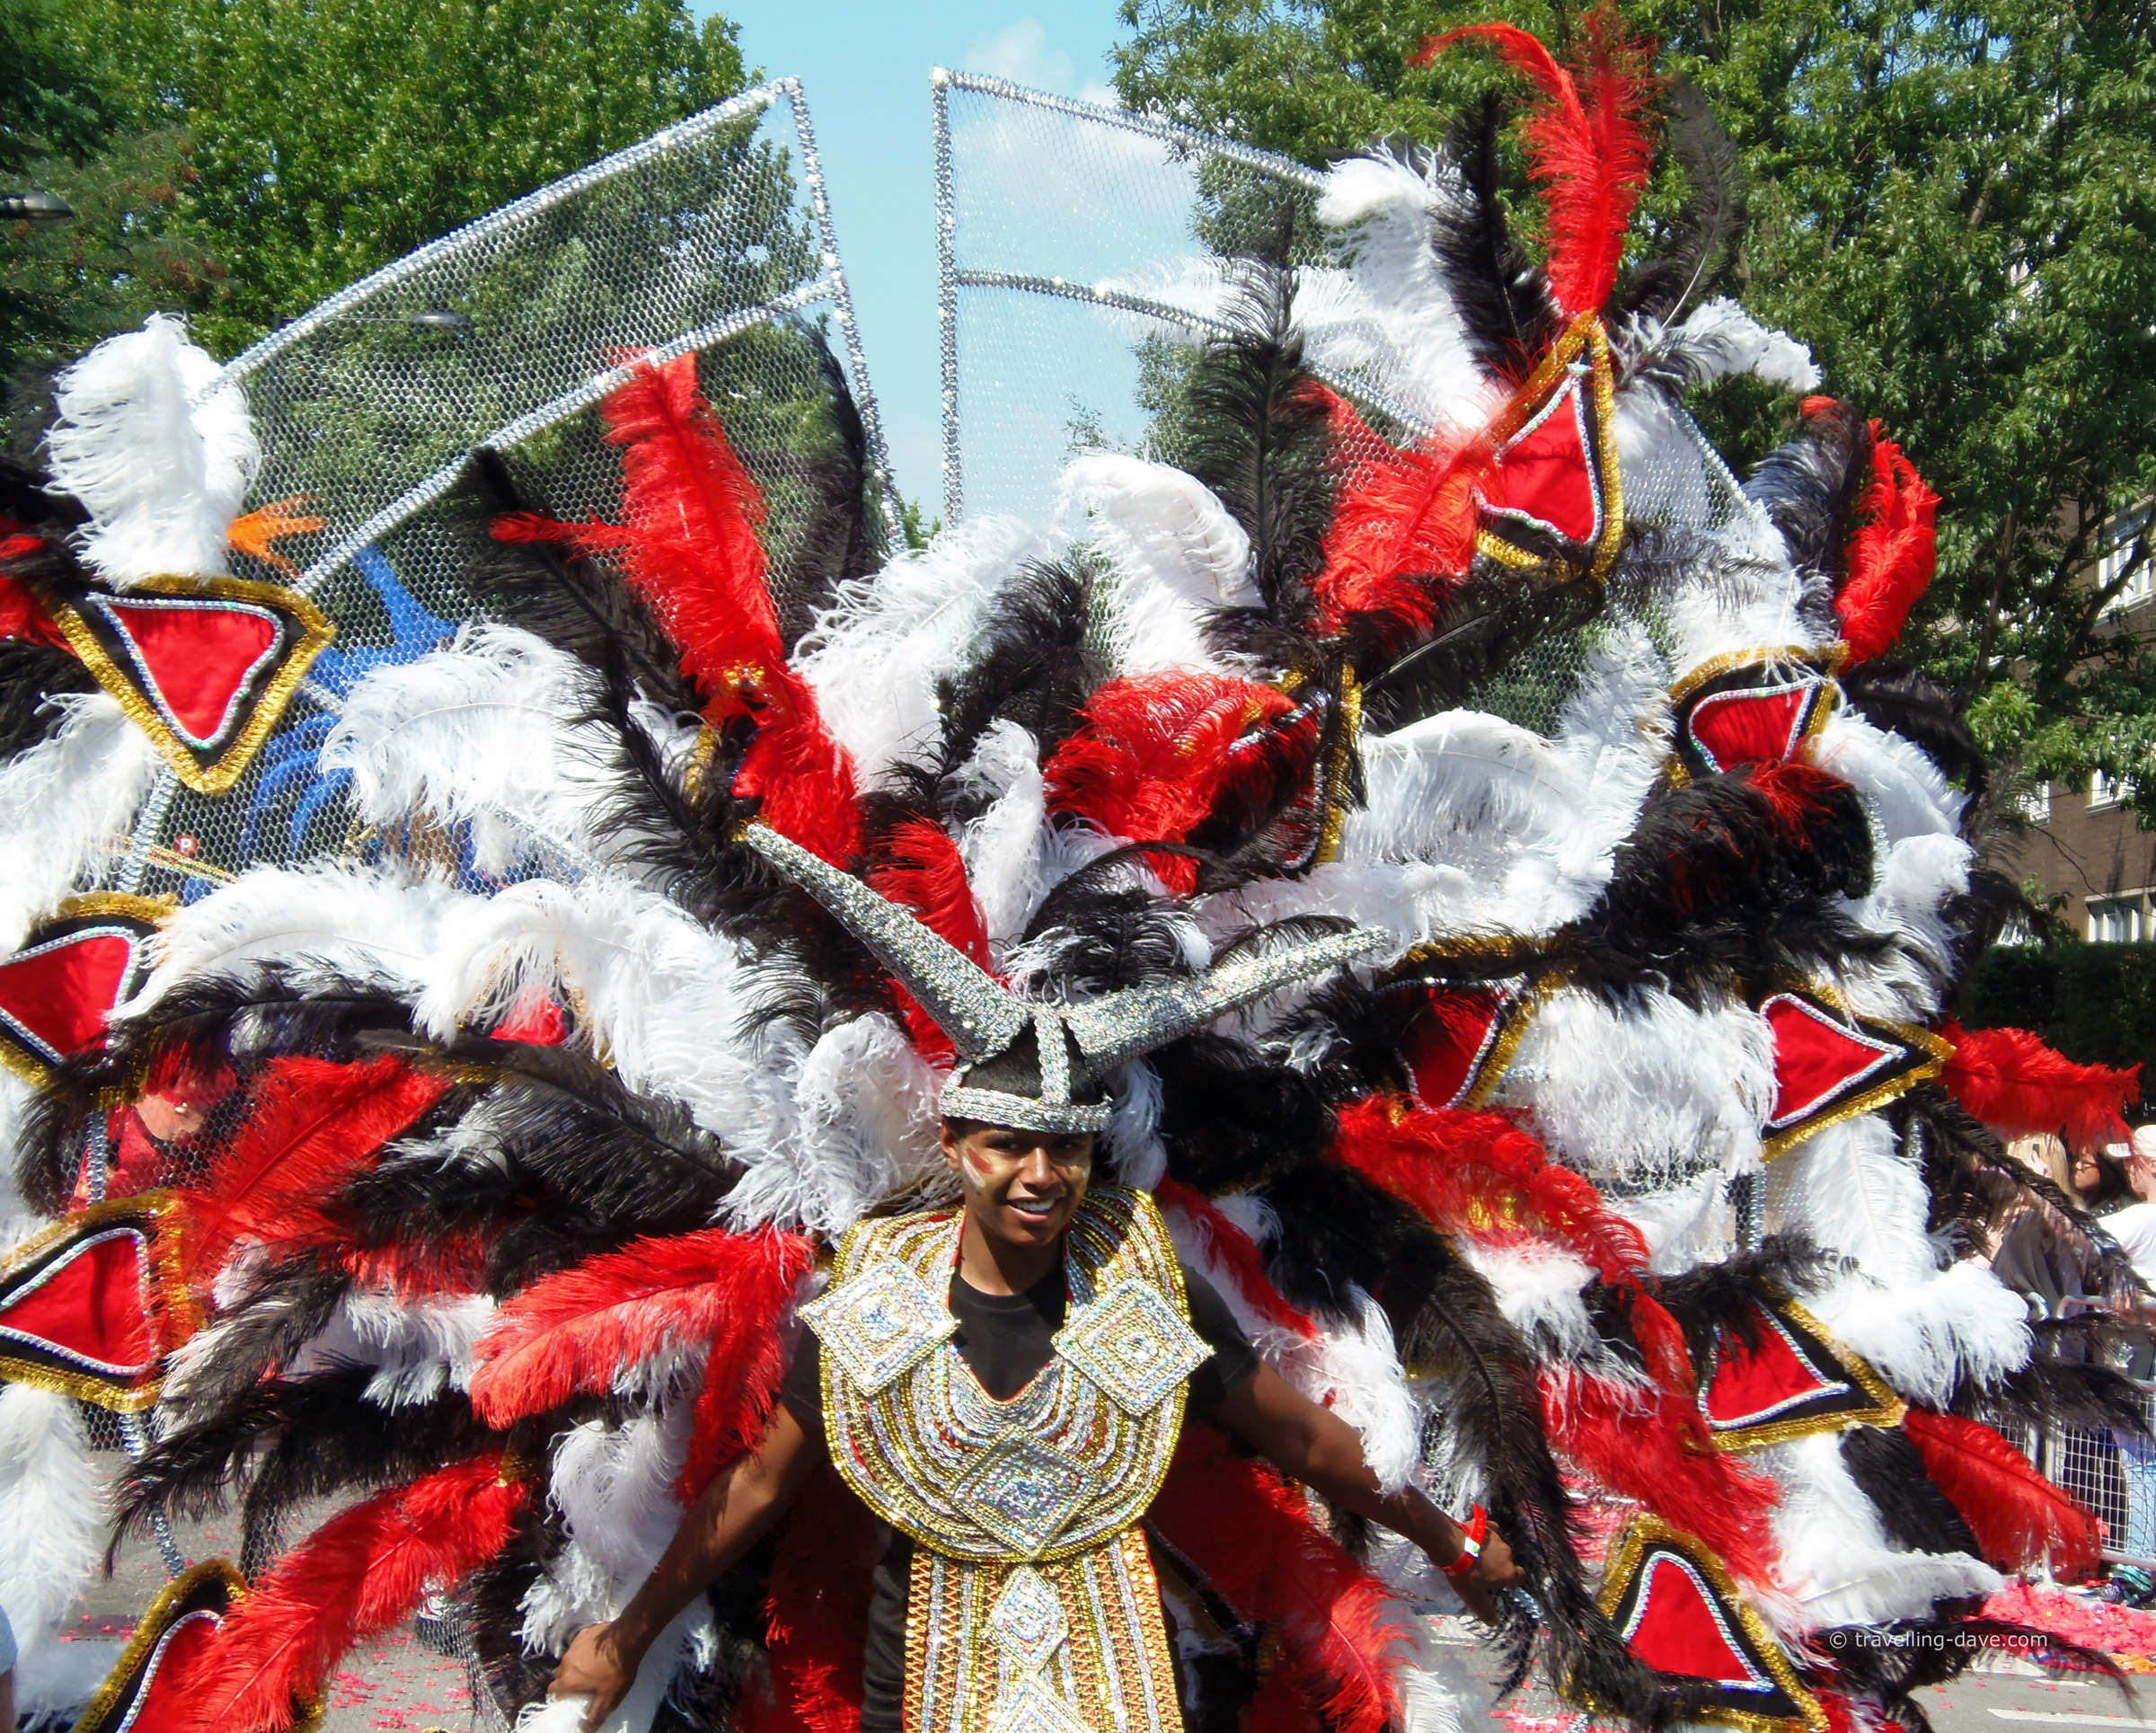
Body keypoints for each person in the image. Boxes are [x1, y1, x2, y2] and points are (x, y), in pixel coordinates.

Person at [547, 827, 1524, 1733]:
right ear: (956, 1144)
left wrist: (1452, 1541)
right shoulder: (877, 1300)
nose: (1040, 1175)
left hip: (1116, 1695)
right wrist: (628, 1638)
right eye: (1008, 1145)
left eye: (1065, 1148)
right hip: (921, 1700)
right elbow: (761, 1483)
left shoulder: (1140, 1288)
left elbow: (1303, 1437)